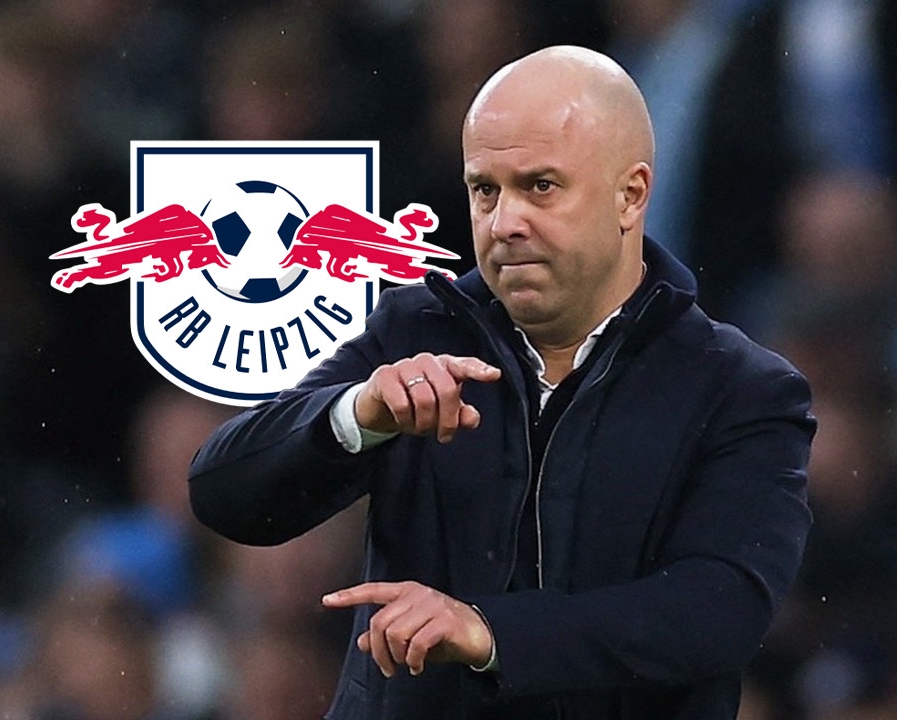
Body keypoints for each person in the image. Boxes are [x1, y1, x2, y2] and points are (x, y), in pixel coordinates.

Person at [189, 45, 815, 720]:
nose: (504, 223)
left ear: (630, 194)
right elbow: (225, 495)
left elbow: (718, 611)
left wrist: (492, 633)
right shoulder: (413, 334)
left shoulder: (740, 389)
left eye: (540, 186)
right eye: (485, 190)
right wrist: (356, 415)